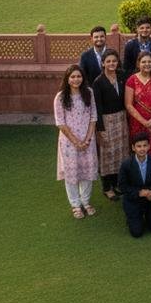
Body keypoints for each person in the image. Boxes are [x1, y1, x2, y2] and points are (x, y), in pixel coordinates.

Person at [54, 64, 98, 219]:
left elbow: (93, 117)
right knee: (72, 173)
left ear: (83, 78)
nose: (76, 79)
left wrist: (86, 139)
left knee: (87, 171)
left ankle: (86, 202)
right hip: (68, 142)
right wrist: (76, 142)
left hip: (88, 140)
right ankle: (75, 205)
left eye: (78, 76)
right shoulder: (60, 97)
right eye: (72, 77)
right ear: (67, 79)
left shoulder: (89, 93)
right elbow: (60, 123)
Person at [92, 49, 127, 200]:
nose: (112, 64)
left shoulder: (121, 76)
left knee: (120, 153)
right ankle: (107, 187)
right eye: (108, 61)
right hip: (106, 121)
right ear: (103, 63)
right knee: (107, 154)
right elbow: (97, 107)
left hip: (121, 119)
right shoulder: (98, 82)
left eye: (114, 61)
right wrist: (100, 129)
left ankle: (116, 184)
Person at [117, 131, 151, 237]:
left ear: (149, 146)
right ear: (133, 148)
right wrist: (139, 193)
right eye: (138, 146)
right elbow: (122, 186)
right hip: (133, 201)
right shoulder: (126, 165)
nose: (142, 149)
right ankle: (133, 218)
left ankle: (149, 215)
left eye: (144, 145)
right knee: (137, 233)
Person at [124, 52, 151, 159]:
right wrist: (145, 122)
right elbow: (128, 105)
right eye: (143, 62)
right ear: (138, 64)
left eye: (149, 61)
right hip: (137, 123)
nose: (147, 64)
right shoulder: (131, 80)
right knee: (140, 149)